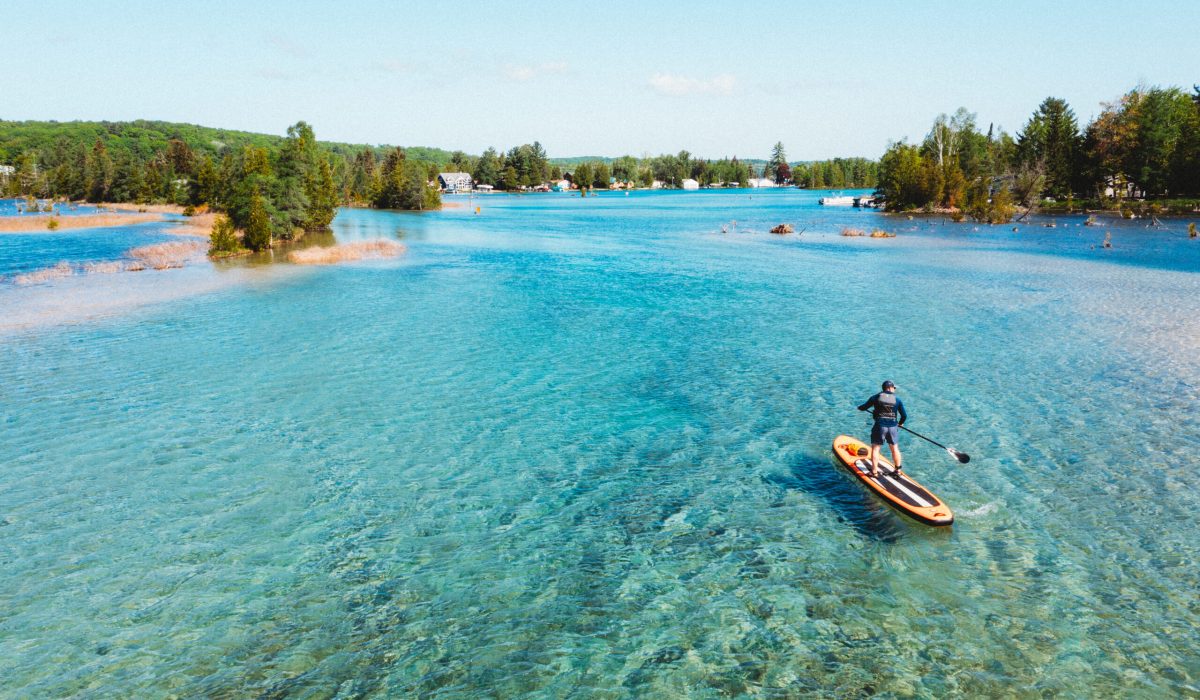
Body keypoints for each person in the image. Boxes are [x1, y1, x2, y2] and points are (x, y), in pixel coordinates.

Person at [857, 380, 907, 478]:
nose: (894, 390)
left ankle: (874, 472)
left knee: (876, 449)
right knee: (895, 449)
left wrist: (859, 408)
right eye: (894, 388)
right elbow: (904, 416)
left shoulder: (875, 397)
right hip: (893, 426)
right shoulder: (897, 399)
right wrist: (900, 424)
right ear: (890, 388)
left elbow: (864, 407)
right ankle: (898, 470)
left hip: (880, 426)